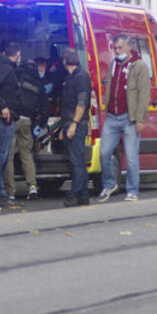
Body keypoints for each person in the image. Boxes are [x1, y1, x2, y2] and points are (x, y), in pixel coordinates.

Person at [97, 34, 150, 203]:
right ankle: (109, 184)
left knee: (131, 156)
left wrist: (140, 119)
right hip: (112, 116)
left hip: (129, 118)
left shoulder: (139, 66)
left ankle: (132, 190)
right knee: (104, 152)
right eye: (115, 48)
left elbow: (144, 94)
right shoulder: (113, 65)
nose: (117, 51)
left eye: (120, 47)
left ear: (128, 47)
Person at [4, 57, 49, 201]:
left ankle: (10, 192)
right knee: (27, 155)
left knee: (9, 157)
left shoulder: (16, 78)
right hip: (28, 122)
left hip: (12, 119)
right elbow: (45, 109)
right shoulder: (38, 84)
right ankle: (32, 187)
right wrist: (40, 126)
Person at [0, 42, 22, 206]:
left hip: (5, 118)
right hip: (4, 119)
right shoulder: (7, 69)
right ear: (17, 54)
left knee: (3, 157)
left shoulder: (2, 67)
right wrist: (3, 106)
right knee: (0, 157)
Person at [60, 47, 92, 207]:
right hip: (70, 123)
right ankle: (83, 196)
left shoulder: (80, 77)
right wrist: (63, 127)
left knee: (77, 161)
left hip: (76, 124)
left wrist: (73, 124)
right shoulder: (71, 77)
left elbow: (81, 103)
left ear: (65, 60)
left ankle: (74, 194)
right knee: (76, 160)